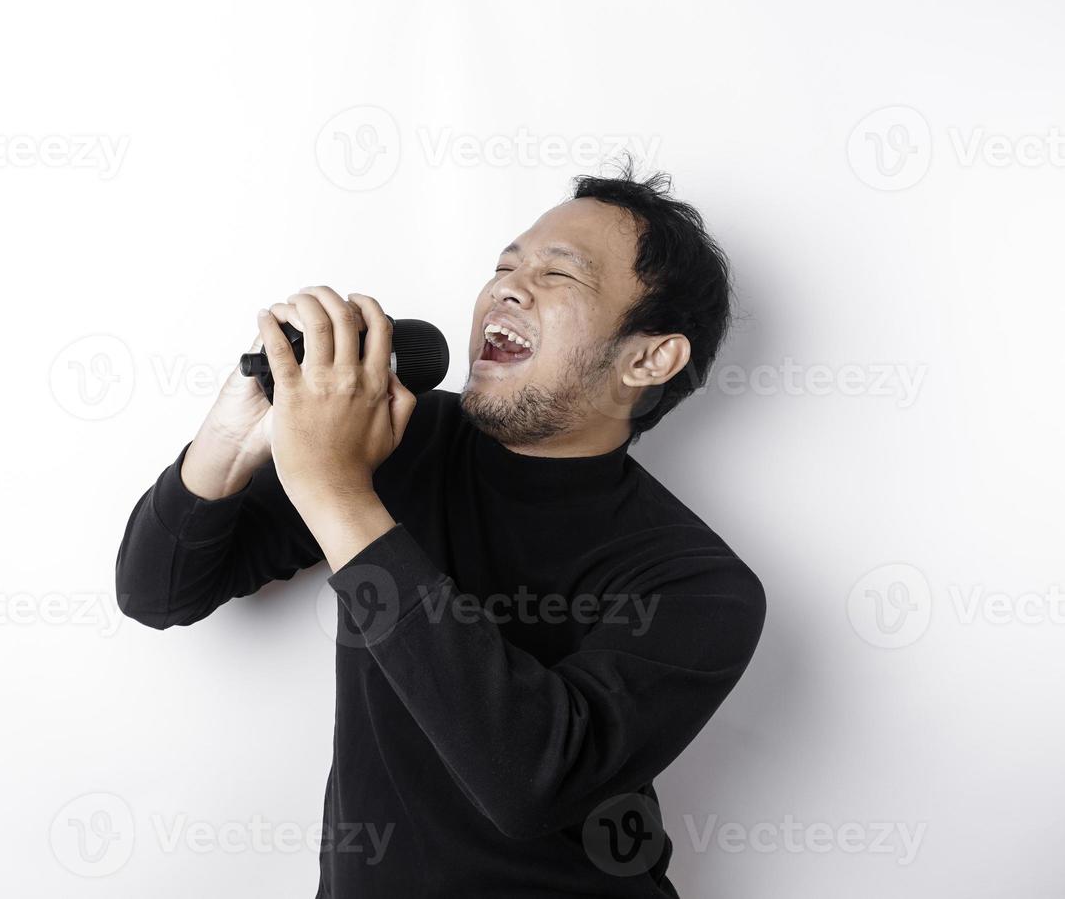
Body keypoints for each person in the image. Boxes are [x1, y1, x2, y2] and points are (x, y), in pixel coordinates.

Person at [115, 165, 766, 897]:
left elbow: (528, 782)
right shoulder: (404, 438)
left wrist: (337, 488)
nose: (507, 288)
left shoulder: (700, 586)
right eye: (505, 265)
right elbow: (157, 591)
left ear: (648, 356)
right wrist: (230, 438)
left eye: (560, 275)